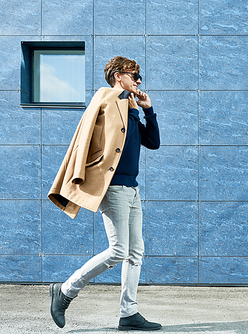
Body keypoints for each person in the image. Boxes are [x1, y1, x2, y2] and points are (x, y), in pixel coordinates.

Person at [47, 56, 161, 331]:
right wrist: (126, 94)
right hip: (113, 188)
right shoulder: (107, 96)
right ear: (119, 76)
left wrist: (148, 110)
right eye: (135, 75)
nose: (139, 81)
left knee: (136, 252)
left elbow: (153, 143)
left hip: (132, 189)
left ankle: (129, 313)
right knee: (118, 250)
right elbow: (86, 134)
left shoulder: (130, 106)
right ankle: (65, 290)